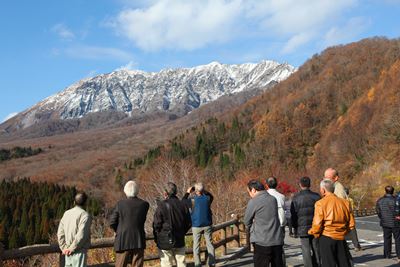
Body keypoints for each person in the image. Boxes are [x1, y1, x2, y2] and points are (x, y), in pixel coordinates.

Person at [308, 179, 354, 267]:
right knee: (343, 263)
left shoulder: (320, 203)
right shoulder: (345, 203)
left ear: (323, 190)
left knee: (328, 263)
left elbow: (317, 224)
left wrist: (313, 233)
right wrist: (343, 232)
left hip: (326, 237)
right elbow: (351, 223)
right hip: (341, 237)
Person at [244, 180, 284, 267]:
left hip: (261, 241)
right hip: (276, 239)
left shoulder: (254, 201)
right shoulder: (273, 199)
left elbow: (247, 221)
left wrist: (252, 228)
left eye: (249, 192)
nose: (249, 195)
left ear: (254, 190)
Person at [109, 181, 149, 267]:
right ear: (137, 191)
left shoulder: (120, 204)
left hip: (123, 240)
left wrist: (118, 230)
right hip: (138, 239)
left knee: (120, 265)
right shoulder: (145, 204)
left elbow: (112, 222)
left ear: (125, 191)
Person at [153, 182, 192, 267]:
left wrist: (158, 236)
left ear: (165, 193)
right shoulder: (183, 205)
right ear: (176, 192)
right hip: (179, 238)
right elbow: (189, 222)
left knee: (167, 264)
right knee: (181, 263)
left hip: (164, 240)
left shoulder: (161, 205)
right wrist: (182, 231)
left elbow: (156, 224)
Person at [183, 182, 215, 267]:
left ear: (196, 191)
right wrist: (204, 190)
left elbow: (183, 201)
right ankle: (212, 263)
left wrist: (188, 192)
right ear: (202, 190)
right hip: (207, 224)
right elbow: (211, 196)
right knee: (210, 244)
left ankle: (197, 264)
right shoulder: (207, 199)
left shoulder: (192, 200)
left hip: (196, 225)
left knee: (196, 246)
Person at [290, 177, 321, 267]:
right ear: (310, 184)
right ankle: (318, 264)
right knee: (316, 248)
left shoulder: (296, 198)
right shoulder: (317, 196)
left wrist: (295, 229)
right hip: (315, 226)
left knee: (305, 249)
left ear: (300, 185)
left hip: (302, 227)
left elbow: (293, 215)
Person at [57, 192, 92, 267]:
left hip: (67, 252)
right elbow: (81, 235)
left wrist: (64, 248)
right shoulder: (85, 215)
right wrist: (71, 249)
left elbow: (60, 232)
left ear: (74, 202)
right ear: (85, 203)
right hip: (79, 252)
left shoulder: (66, 213)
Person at [376, 185, 400, 262]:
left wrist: (382, 218)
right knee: (397, 239)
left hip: (385, 222)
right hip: (395, 222)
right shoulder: (396, 200)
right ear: (392, 191)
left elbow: (378, 212)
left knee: (386, 238)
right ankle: (399, 254)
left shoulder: (380, 200)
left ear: (385, 191)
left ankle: (387, 254)